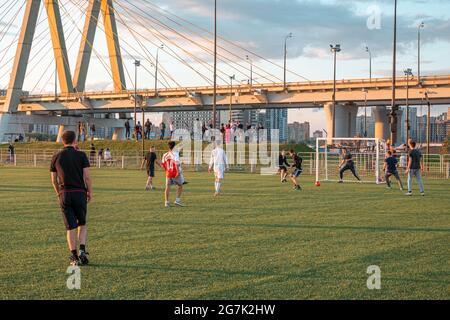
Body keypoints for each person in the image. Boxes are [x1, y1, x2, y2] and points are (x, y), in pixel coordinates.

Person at [50, 131, 92, 266]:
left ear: (63, 141)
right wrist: (89, 191)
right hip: (80, 193)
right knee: (82, 223)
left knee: (70, 227)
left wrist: (58, 193)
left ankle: (74, 256)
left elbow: (53, 180)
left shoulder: (56, 156)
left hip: (65, 194)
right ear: (75, 141)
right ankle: (82, 251)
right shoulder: (81, 155)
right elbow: (87, 177)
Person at [161, 141, 184, 207]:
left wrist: (167, 170)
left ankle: (166, 202)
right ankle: (177, 200)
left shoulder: (165, 155)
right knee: (180, 185)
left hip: (168, 173)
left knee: (167, 187)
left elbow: (163, 165)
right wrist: (178, 172)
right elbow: (176, 163)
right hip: (175, 172)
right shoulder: (175, 154)